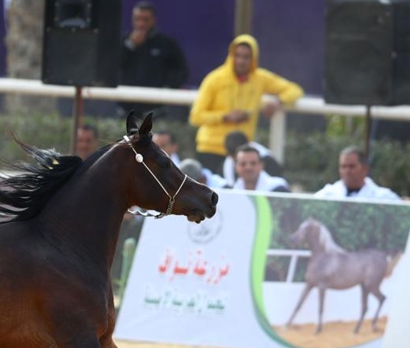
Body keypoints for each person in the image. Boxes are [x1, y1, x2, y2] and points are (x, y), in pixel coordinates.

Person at [189, 34, 303, 175]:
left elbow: (295, 90)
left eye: (246, 57)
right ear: (231, 56)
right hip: (211, 149)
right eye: (237, 55)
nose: (241, 61)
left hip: (240, 154)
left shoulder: (259, 78)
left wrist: (277, 102)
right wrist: (225, 117)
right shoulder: (214, 79)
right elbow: (196, 116)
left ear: (254, 58)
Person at [119, 1, 189, 118]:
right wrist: (130, 45)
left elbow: (182, 71)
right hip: (125, 111)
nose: (141, 24)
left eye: (146, 19)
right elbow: (111, 67)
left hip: (155, 111)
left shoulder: (166, 43)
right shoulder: (122, 42)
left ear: (153, 20)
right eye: (137, 19)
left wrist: (166, 87)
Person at [314, 146, 400, 200]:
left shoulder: (384, 197)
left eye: (351, 166)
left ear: (365, 169)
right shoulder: (327, 194)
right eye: (343, 166)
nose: (347, 171)